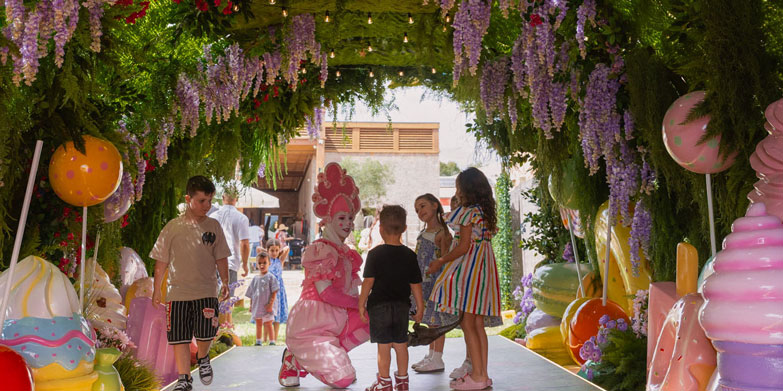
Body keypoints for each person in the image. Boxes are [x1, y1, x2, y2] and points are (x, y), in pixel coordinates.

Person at [279, 162, 369, 388]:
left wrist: (367, 304)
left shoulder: (348, 253)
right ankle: (295, 357)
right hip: (313, 324)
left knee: (375, 319)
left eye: (350, 218)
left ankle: (331, 355)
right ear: (327, 220)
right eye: (341, 218)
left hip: (339, 319)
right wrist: (359, 302)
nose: (347, 224)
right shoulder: (320, 250)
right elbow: (327, 293)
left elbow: (350, 291)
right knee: (345, 380)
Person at [150, 176, 231, 391]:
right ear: (188, 199)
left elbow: (221, 257)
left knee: (206, 333)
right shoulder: (172, 228)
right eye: (202, 201)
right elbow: (161, 262)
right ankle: (184, 378)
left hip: (206, 291)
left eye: (210, 200)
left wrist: (225, 281)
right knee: (179, 338)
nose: (207, 206)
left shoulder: (214, 226)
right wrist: (156, 289)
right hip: (177, 293)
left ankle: (203, 357)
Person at [427, 168, 501, 390]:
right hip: (484, 270)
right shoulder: (484, 213)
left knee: (468, 322)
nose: (457, 192)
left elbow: (463, 247)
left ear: (466, 189)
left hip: (471, 271)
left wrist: (440, 261)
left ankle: (478, 376)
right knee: (477, 323)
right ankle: (482, 374)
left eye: (459, 187)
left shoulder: (469, 213)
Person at [358, 205, 424, 391]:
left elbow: (368, 282)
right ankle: (403, 382)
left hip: (379, 308)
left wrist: (361, 304)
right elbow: (415, 285)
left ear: (380, 229)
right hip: (402, 307)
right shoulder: (410, 255)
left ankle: (384, 382)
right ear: (404, 229)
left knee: (384, 346)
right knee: (401, 344)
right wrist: (420, 307)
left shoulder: (374, 254)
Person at [410, 194, 454, 373]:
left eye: (422, 206)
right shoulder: (423, 232)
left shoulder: (442, 233)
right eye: (417, 209)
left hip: (435, 282)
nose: (420, 211)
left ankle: (438, 357)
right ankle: (431, 354)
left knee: (436, 321)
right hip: (422, 282)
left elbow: (445, 259)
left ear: (435, 205)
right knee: (429, 320)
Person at [209, 182, 250, 324]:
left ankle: (218, 330)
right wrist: (245, 264)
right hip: (230, 262)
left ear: (222, 197)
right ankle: (223, 331)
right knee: (227, 302)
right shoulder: (241, 218)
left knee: (211, 300)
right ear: (237, 198)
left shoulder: (212, 216)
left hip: (211, 262)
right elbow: (244, 244)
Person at [245, 251, 279, 346]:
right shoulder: (255, 279)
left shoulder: (271, 277)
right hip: (258, 306)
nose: (262, 265)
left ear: (269, 263)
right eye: (259, 263)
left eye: (264, 263)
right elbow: (252, 293)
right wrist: (251, 305)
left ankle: (272, 341)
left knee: (268, 323)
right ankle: (258, 341)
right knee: (258, 324)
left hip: (267, 306)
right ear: (256, 264)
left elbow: (274, 291)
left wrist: (270, 304)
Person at [265, 238, 288, 343]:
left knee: (277, 314)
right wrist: (266, 252)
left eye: (276, 250)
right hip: (268, 291)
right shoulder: (266, 261)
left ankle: (274, 338)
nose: (274, 253)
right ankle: (268, 337)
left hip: (278, 291)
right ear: (268, 251)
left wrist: (281, 251)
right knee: (268, 315)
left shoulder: (280, 260)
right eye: (272, 250)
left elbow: (287, 248)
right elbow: (257, 249)